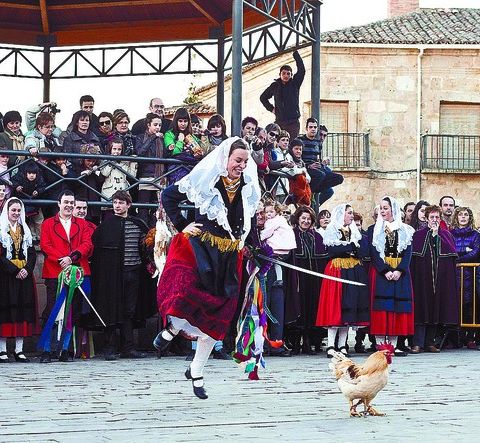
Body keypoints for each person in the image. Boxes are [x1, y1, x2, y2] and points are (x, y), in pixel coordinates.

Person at [154, 137, 261, 399]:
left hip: (228, 255)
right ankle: (173, 328)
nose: (242, 165)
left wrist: (254, 248)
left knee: (219, 314)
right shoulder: (206, 177)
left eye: (245, 162)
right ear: (225, 158)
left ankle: (197, 370)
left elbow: (250, 220)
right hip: (201, 247)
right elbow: (168, 196)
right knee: (186, 293)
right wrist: (182, 225)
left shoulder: (248, 185)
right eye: (238, 160)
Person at [90, 190, 156, 360]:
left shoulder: (138, 223)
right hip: (112, 275)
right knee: (111, 308)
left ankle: (128, 347)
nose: (117, 206)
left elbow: (147, 247)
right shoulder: (106, 225)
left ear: (128, 205)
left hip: (133, 273)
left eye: (120, 203)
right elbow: (97, 251)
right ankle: (110, 347)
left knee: (129, 310)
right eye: (115, 203)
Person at [38, 190, 93, 363]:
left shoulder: (82, 224)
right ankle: (46, 349)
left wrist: (73, 257)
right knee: (52, 311)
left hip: (77, 272)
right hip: (55, 271)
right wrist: (63, 259)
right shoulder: (47, 223)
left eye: (71, 202)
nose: (69, 205)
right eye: (66, 202)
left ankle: (64, 349)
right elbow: (45, 245)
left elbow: (87, 244)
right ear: (59, 204)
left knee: (72, 312)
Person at [316, 204, 370, 358]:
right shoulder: (332, 229)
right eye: (349, 213)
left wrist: (351, 248)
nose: (351, 216)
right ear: (341, 214)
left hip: (353, 270)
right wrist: (350, 247)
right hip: (337, 269)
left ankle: (342, 344)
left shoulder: (354, 231)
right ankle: (331, 344)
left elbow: (362, 251)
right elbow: (331, 250)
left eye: (352, 213)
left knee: (349, 304)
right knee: (335, 304)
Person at [368, 196, 415, 357]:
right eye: (381, 208)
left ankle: (393, 345)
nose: (383, 211)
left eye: (386, 208)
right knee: (381, 307)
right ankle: (380, 344)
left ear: (393, 209)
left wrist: (400, 270)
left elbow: (408, 253)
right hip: (381, 272)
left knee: (397, 307)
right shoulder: (373, 230)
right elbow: (373, 253)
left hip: (399, 272)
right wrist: (385, 270)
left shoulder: (406, 230)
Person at [410, 205, 459, 353]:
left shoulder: (446, 235)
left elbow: (449, 254)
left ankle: (430, 342)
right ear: (426, 218)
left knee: (435, 308)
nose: (435, 220)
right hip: (422, 279)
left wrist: (437, 236)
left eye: (437, 217)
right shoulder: (418, 235)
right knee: (421, 307)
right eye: (432, 217)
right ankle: (417, 343)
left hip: (439, 279)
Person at [287, 205, 327, 354]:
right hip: (298, 277)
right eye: (303, 218)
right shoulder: (291, 234)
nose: (306, 221)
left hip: (313, 278)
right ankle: (296, 342)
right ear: (297, 219)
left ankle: (310, 341)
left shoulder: (316, 236)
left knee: (312, 307)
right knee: (298, 306)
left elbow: (323, 256)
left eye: (308, 219)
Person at [0, 198, 37, 363]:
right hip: (6, 276)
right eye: (13, 210)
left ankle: (19, 349)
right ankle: (2, 350)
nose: (15, 213)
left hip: (24, 276)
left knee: (23, 310)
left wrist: (26, 270)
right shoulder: (1, 230)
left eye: (18, 210)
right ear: (7, 211)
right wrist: (14, 270)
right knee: (5, 310)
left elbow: (32, 253)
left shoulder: (25, 230)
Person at [450, 206, 480, 349]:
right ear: (456, 217)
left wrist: (459, 259)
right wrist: (463, 251)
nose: (463, 217)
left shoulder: (475, 235)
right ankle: (457, 338)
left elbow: (475, 252)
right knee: (456, 305)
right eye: (460, 214)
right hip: (454, 275)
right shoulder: (450, 234)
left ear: (470, 217)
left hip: (471, 274)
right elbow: (450, 250)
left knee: (470, 306)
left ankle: (470, 337)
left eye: (466, 215)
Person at [260, 50, 305, 139]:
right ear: (280, 74)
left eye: (288, 74)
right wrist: (271, 109)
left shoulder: (295, 84)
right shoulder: (275, 86)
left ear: (291, 75)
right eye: (283, 73)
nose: (286, 75)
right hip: (280, 121)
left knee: (290, 143)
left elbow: (301, 70)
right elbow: (263, 97)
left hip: (293, 122)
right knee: (276, 142)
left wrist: (295, 54)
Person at [298, 119, 343, 207]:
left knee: (339, 178)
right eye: (311, 127)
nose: (313, 129)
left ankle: (313, 192)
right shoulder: (300, 140)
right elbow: (296, 158)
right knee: (321, 175)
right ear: (306, 128)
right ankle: (307, 196)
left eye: (315, 127)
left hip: (317, 168)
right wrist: (308, 166)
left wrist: (322, 163)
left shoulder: (318, 142)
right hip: (305, 168)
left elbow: (316, 158)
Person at [134, 113, 164, 225]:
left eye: (160, 125)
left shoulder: (162, 139)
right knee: (143, 209)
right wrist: (153, 138)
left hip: (159, 177)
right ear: (148, 125)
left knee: (157, 210)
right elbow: (140, 152)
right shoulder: (140, 137)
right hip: (145, 177)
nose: (158, 127)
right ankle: (143, 237)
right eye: (155, 124)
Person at [99, 137, 137, 218]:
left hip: (123, 191)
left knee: (122, 217)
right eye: (114, 149)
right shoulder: (105, 161)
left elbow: (132, 175)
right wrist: (112, 161)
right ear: (110, 149)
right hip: (109, 194)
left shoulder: (124, 162)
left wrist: (133, 162)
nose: (117, 151)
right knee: (108, 217)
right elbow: (105, 173)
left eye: (119, 149)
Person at [164, 107, 203, 184]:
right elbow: (175, 153)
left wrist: (197, 154)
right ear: (176, 121)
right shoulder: (169, 134)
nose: (183, 124)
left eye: (185, 121)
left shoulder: (191, 136)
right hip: (174, 171)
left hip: (190, 172)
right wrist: (180, 141)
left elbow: (199, 152)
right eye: (180, 121)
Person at [281, 138, 311, 206]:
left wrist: (304, 172)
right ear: (291, 149)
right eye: (296, 149)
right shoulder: (288, 157)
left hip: (301, 190)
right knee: (301, 178)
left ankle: (306, 202)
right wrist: (302, 171)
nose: (298, 151)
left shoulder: (301, 161)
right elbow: (292, 172)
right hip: (291, 187)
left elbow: (308, 178)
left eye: (300, 149)